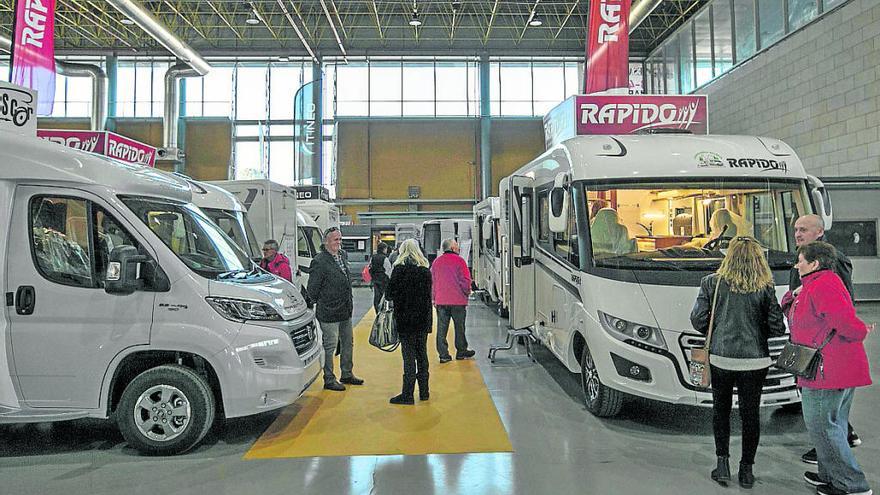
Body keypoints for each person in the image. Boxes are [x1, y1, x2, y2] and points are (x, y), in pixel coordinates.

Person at [690, 236, 786, 489]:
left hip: (721, 359)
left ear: (728, 257)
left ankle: (722, 465)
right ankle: (746, 471)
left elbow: (698, 320)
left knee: (720, 411)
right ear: (758, 259)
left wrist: (719, 328)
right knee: (750, 415)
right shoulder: (766, 287)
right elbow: (777, 327)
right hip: (755, 362)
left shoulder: (711, 283)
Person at [781, 242, 872, 495]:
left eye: (800, 260)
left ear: (814, 263)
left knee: (823, 426)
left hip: (828, 371)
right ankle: (830, 476)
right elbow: (793, 312)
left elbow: (845, 322)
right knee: (833, 425)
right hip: (830, 368)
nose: (797, 265)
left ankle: (851, 485)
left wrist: (861, 331)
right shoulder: (815, 285)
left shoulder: (823, 285)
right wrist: (792, 295)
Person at [788, 214, 860, 464]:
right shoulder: (806, 257)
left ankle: (835, 453)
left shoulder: (831, 261)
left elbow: (841, 307)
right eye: (796, 229)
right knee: (824, 408)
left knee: (825, 409)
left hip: (823, 347)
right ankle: (835, 447)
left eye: (804, 229)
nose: (798, 233)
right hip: (812, 342)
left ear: (820, 231)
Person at [307, 227, 364, 391]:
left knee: (348, 343)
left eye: (340, 239)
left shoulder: (342, 256)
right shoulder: (319, 261)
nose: (338, 243)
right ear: (326, 242)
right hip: (329, 311)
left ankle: (347, 373)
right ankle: (329, 378)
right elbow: (313, 289)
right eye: (335, 240)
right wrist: (320, 301)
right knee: (330, 345)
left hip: (345, 309)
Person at [385, 239, 433, 405]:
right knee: (422, 355)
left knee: (408, 357)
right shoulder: (425, 270)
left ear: (402, 251)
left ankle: (408, 394)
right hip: (422, 319)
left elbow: (389, 294)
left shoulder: (399, 270)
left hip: (405, 320)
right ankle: (425, 392)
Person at [430, 238, 475, 363]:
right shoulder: (460, 261)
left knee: (441, 329)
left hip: (441, 301)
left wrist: (434, 298)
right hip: (458, 301)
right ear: (453, 248)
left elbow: (433, 282)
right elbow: (465, 281)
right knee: (459, 327)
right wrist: (467, 292)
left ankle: (443, 355)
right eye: (457, 246)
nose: (459, 248)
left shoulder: (436, 262)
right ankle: (461, 351)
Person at [369, 242, 393, 313]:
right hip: (384, 280)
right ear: (383, 249)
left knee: (377, 297)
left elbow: (370, 267)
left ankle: (377, 311)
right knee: (384, 297)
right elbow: (388, 270)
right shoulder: (385, 258)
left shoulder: (373, 257)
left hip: (375, 280)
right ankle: (383, 311)